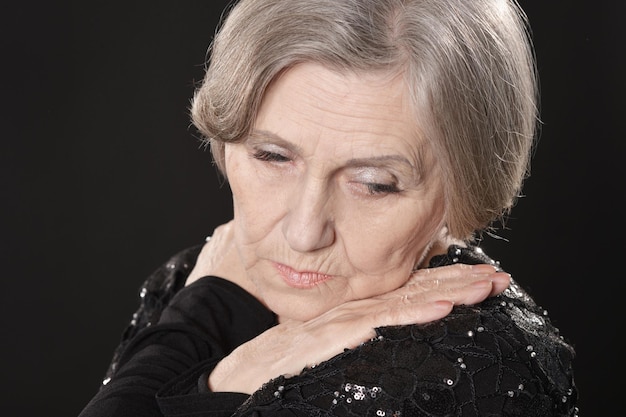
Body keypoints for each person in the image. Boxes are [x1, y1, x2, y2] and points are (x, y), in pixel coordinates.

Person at [79, 0, 578, 416]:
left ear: (462, 187)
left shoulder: (473, 369)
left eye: (374, 184)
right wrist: (205, 324)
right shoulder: (204, 277)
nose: (303, 232)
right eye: (272, 156)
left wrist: (221, 376)